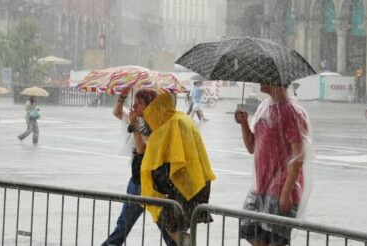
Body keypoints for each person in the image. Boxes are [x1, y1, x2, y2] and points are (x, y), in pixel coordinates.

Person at [234, 83, 313, 246]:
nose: (260, 81)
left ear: (275, 81)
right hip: (260, 186)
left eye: (264, 79)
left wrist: (287, 191)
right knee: (250, 230)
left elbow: (298, 156)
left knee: (276, 241)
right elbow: (251, 147)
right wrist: (244, 124)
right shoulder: (264, 107)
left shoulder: (291, 111)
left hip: (281, 189)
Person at [141, 89, 216, 245]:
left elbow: (171, 158)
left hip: (185, 185)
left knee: (173, 226)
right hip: (196, 182)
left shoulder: (173, 124)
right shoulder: (182, 118)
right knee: (175, 226)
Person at [102, 88, 175, 246]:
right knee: (123, 226)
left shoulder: (156, 125)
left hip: (152, 184)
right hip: (137, 181)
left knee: (166, 227)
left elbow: (142, 150)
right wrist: (123, 96)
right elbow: (117, 112)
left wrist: (135, 127)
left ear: (149, 105)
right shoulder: (136, 119)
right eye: (134, 102)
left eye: (139, 102)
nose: (135, 105)